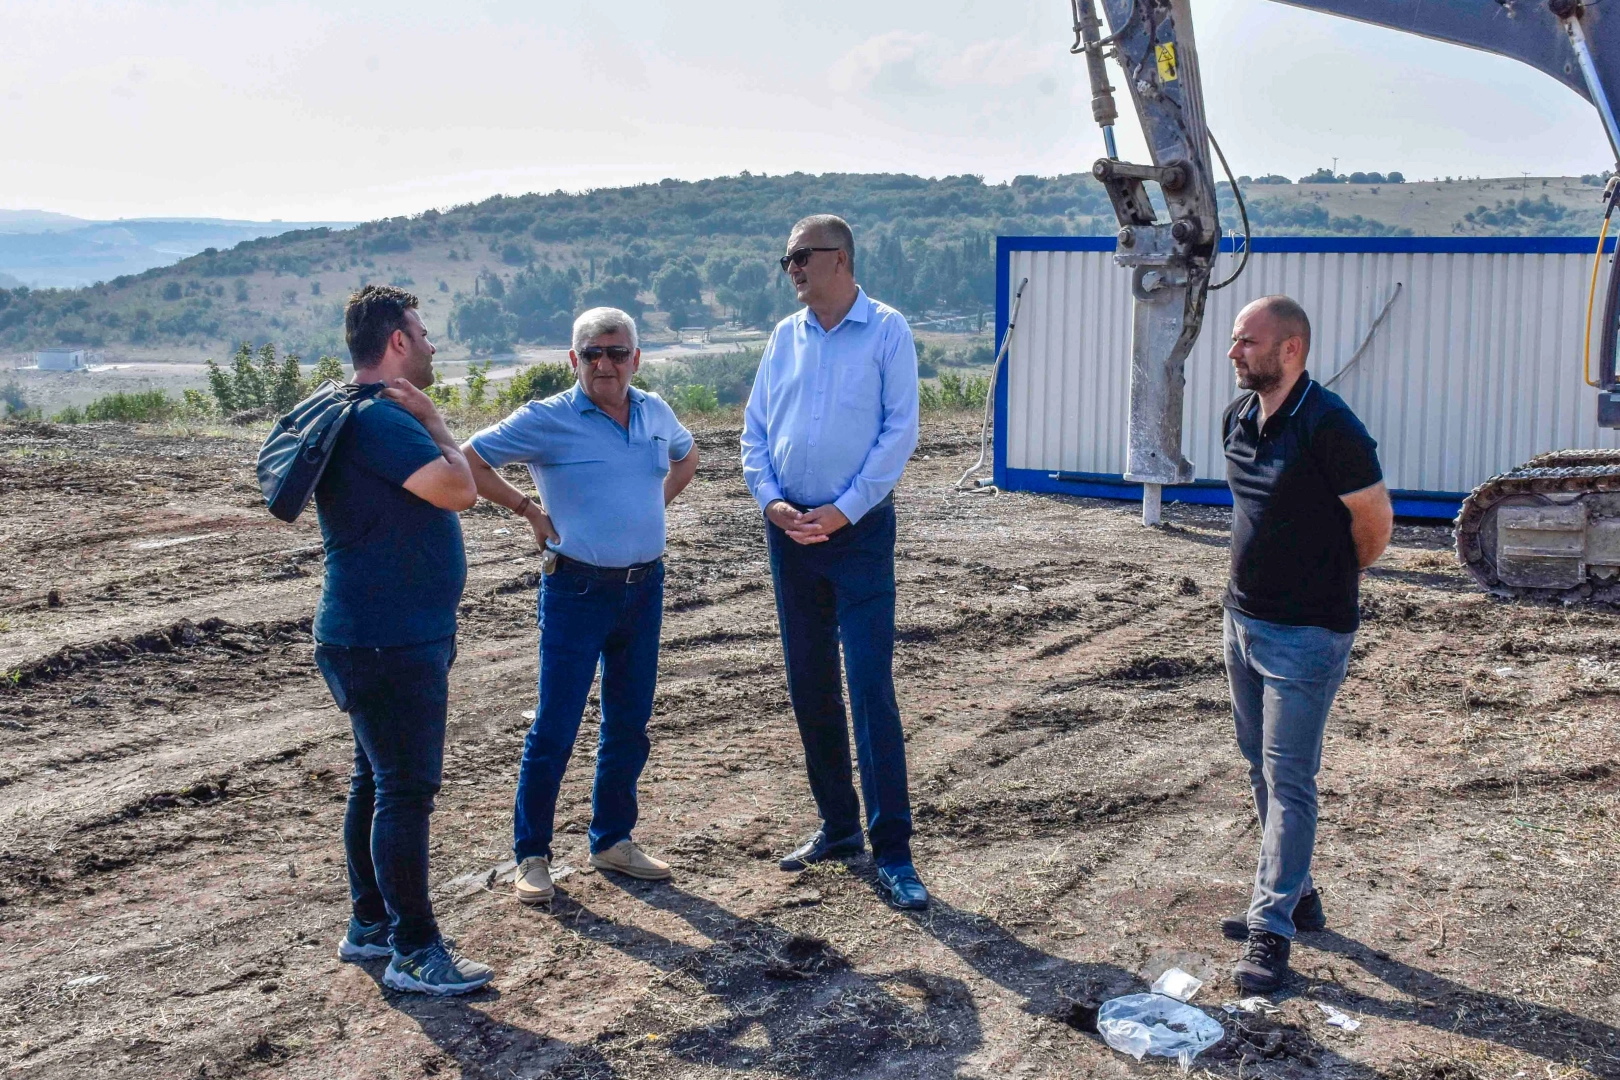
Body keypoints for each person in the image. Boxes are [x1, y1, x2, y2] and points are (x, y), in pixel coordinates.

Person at [462, 307, 698, 906]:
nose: (605, 363)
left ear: (635, 360)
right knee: (556, 724)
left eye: (618, 353)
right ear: (574, 360)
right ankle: (532, 855)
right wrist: (526, 510)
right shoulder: (548, 419)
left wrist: (654, 502)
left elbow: (686, 455)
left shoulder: (654, 411)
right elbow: (469, 459)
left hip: (644, 588)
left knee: (628, 721)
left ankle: (612, 839)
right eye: (592, 352)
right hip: (577, 589)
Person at [739, 214, 927, 910]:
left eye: (799, 256)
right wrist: (773, 504)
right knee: (810, 683)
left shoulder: (887, 331)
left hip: (858, 534)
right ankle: (839, 829)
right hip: (791, 536)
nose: (789, 268)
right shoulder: (783, 339)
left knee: (870, 688)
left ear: (840, 259)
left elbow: (898, 432)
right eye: (784, 257)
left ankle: (895, 851)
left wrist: (843, 510)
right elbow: (754, 432)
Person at [315, 285, 494, 995]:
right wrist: (439, 422)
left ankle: (370, 925)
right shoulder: (387, 422)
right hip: (390, 640)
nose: (430, 344)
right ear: (395, 342)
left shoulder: (355, 415)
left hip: (372, 635)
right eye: (421, 333)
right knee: (405, 790)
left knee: (376, 781)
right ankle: (415, 949)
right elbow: (459, 490)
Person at [1219, 294, 1394, 993]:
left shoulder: (1331, 425)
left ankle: (1272, 931)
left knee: (1290, 780)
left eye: (1246, 342)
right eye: (1235, 342)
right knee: (1259, 768)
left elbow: (1374, 526)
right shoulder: (1239, 416)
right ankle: (1297, 896)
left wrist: (1323, 584)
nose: (1234, 352)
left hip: (1307, 634)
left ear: (1290, 348)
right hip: (1242, 621)